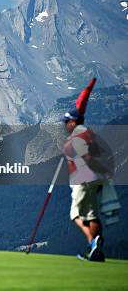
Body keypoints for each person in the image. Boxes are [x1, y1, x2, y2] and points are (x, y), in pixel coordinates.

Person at [62, 108, 108, 262]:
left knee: (75, 214)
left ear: (73, 122)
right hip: (94, 179)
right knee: (92, 215)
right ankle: (96, 249)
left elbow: (86, 157)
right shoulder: (88, 135)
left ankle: (93, 243)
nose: (65, 125)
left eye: (66, 122)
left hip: (82, 179)